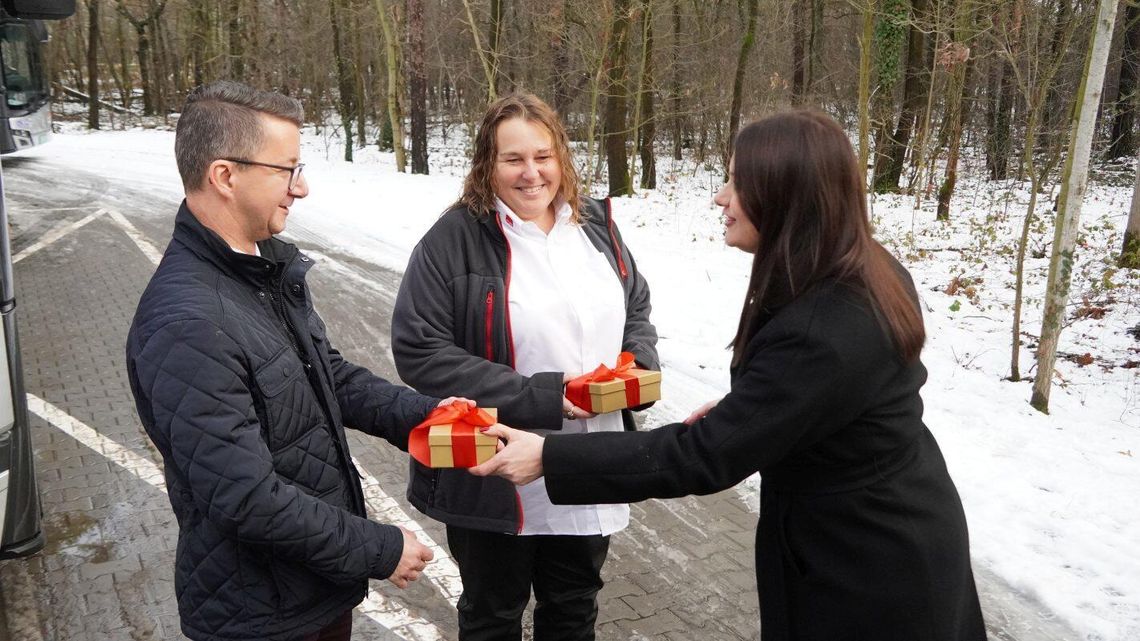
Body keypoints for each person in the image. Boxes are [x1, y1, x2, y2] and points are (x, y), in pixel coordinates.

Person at [472, 110, 988, 641]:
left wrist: (548, 456)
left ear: (784, 195)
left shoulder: (827, 321)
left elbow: (704, 456)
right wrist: (761, 407)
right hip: (883, 527)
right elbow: (833, 393)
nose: (721, 196)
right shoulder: (856, 265)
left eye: (739, 182)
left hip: (868, 566)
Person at [125, 80, 460, 641]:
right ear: (225, 176)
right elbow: (245, 497)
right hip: (261, 613)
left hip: (309, 588)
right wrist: (377, 548)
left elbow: (325, 375)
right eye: (287, 169)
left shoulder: (258, 270)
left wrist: (425, 416)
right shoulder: (186, 324)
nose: (300, 188)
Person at [391, 92, 658, 641]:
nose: (531, 173)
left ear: (562, 156)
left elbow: (634, 306)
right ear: (487, 164)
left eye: (543, 155)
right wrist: (541, 395)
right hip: (494, 466)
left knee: (573, 606)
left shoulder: (595, 227)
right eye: (512, 159)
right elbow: (419, 348)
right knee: (493, 615)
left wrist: (639, 371)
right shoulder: (453, 240)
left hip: (585, 458)